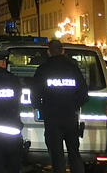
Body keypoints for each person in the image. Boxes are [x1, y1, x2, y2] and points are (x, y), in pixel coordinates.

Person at [32, 39, 89, 173]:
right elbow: (84, 94)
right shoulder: (73, 68)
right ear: (62, 50)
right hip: (70, 117)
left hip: (52, 118)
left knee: (57, 156)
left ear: (48, 52)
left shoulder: (43, 69)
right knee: (74, 153)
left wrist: (42, 108)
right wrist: (73, 106)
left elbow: (34, 95)